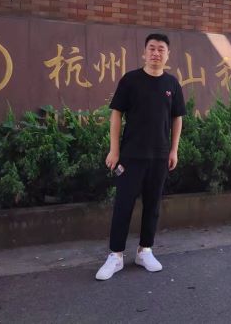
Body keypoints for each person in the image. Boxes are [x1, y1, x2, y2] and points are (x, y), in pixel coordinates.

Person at [95, 33, 186, 281]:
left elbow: (177, 118)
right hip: (131, 156)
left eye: (161, 49)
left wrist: (174, 150)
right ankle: (115, 255)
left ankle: (145, 251)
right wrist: (114, 150)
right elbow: (116, 114)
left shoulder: (172, 84)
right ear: (144, 53)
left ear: (168, 55)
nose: (156, 53)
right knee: (123, 205)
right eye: (152, 48)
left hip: (159, 157)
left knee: (153, 205)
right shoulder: (130, 80)